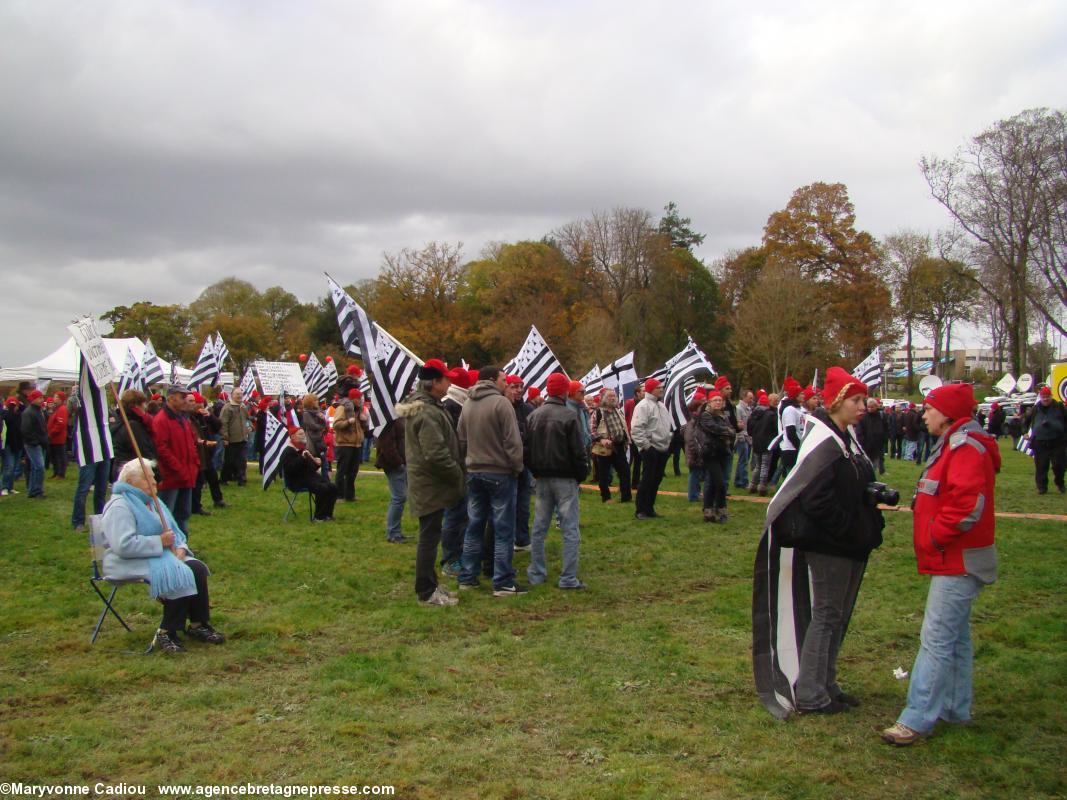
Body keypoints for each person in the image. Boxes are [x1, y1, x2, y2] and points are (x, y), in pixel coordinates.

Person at [753, 366, 885, 718]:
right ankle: (811, 691)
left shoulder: (847, 437)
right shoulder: (823, 441)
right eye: (856, 399)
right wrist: (849, 528)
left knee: (837, 615)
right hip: (832, 545)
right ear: (838, 401)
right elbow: (815, 499)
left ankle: (827, 682)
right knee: (826, 614)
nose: (863, 405)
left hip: (850, 543)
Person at [882, 382, 1000, 745]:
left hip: (958, 559)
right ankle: (954, 707)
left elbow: (966, 505)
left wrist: (934, 536)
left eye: (930, 408)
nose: (924, 413)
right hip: (957, 558)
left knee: (935, 639)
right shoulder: (954, 444)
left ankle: (916, 718)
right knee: (956, 638)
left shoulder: (964, 448)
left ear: (948, 413)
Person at [102, 458, 225, 654]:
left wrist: (181, 549)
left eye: (153, 478)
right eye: (148, 479)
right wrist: (159, 542)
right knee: (178, 571)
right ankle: (166, 631)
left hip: (162, 555)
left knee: (197, 568)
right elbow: (122, 546)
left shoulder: (154, 502)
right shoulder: (120, 506)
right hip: (128, 561)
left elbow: (175, 533)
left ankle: (198, 624)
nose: (154, 483)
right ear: (132, 482)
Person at [395, 359, 463, 606]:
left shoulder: (430, 407)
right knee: (429, 537)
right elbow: (435, 454)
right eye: (446, 379)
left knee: (431, 535)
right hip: (430, 484)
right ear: (435, 382)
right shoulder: (427, 411)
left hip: (431, 483)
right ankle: (426, 590)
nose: (449, 382)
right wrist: (456, 473)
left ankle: (430, 583)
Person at [457, 365, 526, 596]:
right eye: (504, 379)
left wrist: (468, 462)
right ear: (492, 380)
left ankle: (467, 576)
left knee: (474, 526)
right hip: (499, 472)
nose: (506, 383)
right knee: (503, 529)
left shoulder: (467, 403)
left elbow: (461, 438)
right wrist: (517, 467)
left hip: (474, 471)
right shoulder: (501, 403)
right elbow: (512, 441)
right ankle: (503, 581)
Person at [527, 372, 590, 589]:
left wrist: (534, 471)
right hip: (565, 478)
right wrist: (580, 475)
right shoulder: (569, 416)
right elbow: (578, 451)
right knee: (570, 528)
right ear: (564, 391)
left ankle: (536, 572)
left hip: (542, 478)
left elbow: (527, 449)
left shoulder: (534, 415)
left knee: (539, 527)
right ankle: (568, 578)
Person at [152, 385, 200, 536]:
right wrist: (178, 468)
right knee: (167, 516)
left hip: (186, 474)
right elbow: (161, 448)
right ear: (171, 398)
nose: (186, 400)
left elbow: (191, 443)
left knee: (183, 514)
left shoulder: (183, 418)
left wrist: (195, 463)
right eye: (182, 397)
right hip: (171, 477)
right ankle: (168, 548)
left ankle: (182, 546)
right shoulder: (161, 420)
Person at [630, 378, 672, 520]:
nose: (661, 389)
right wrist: (646, 447)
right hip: (650, 448)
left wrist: (668, 438)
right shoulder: (643, 406)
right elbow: (636, 429)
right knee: (647, 479)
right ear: (651, 389)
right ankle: (640, 509)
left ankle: (649, 507)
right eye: (658, 387)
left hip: (662, 448)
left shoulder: (662, 406)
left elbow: (666, 426)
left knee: (656, 479)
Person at [280, 427, 339, 522]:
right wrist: (302, 458)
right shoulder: (288, 451)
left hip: (309, 477)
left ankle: (327, 514)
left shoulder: (303, 449)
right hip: (297, 480)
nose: (303, 436)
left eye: (303, 433)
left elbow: (309, 468)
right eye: (300, 434)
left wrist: (316, 464)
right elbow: (290, 469)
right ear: (293, 437)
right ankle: (318, 517)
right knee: (322, 488)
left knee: (332, 487)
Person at [696, 390, 735, 523]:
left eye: (720, 400)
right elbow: (715, 429)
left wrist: (727, 432)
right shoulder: (705, 415)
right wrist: (727, 432)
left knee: (713, 483)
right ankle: (721, 508)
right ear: (709, 402)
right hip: (710, 453)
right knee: (720, 483)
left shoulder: (723, 416)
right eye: (715, 400)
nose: (718, 403)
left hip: (722, 453)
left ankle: (708, 510)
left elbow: (732, 430)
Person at [590, 388, 632, 503]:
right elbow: (592, 431)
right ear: (603, 398)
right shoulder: (598, 412)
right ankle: (606, 497)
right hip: (604, 448)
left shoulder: (618, 411)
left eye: (614, 395)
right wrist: (601, 439)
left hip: (619, 446)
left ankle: (626, 497)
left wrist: (626, 439)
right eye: (610, 396)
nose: (613, 398)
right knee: (604, 475)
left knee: (625, 472)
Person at [189, 392, 225, 516]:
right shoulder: (189, 418)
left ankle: (218, 500)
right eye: (195, 403)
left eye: (199, 403)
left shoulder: (203, 416)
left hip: (207, 453)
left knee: (213, 478)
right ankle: (196, 506)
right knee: (198, 481)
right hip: (198, 452)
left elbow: (218, 426)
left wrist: (210, 416)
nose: (198, 406)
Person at [374, 417, 407, 543]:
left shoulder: (393, 418)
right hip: (393, 464)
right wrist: (399, 463)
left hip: (397, 462)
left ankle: (395, 531)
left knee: (399, 497)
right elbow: (387, 445)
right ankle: (393, 533)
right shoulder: (388, 420)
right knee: (399, 497)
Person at [1027, 386, 1065, 495]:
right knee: (1041, 466)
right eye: (1043, 397)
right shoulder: (1035, 408)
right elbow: (1026, 421)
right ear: (1040, 397)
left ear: (1051, 396)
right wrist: (1025, 431)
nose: (1045, 399)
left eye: (1047, 397)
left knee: (1059, 465)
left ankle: (1060, 483)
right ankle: (1042, 487)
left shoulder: (1059, 407)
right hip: (1040, 442)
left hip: (1057, 441)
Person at [332, 388, 367, 502]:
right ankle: (338, 495)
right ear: (353, 398)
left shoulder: (358, 411)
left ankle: (350, 495)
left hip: (356, 444)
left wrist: (363, 420)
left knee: (353, 471)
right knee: (342, 470)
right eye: (358, 398)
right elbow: (336, 424)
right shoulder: (342, 408)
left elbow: (364, 428)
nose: (360, 401)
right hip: (345, 444)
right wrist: (348, 422)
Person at [20, 389, 48, 499]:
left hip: (38, 443)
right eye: (40, 398)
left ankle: (32, 490)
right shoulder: (29, 412)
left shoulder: (37, 410)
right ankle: (37, 491)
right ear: (33, 399)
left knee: (34, 467)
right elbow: (26, 430)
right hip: (33, 444)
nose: (42, 400)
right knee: (39, 467)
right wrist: (36, 441)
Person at [219, 388, 250, 486]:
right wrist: (225, 438)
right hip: (231, 440)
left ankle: (242, 479)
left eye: (241, 394)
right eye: (237, 394)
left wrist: (250, 428)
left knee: (242, 461)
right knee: (229, 461)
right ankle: (224, 478)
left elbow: (247, 419)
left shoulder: (243, 407)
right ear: (232, 395)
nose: (239, 396)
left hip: (243, 439)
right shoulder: (227, 408)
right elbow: (223, 423)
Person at [748, 391, 776, 496]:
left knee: (758, 466)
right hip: (767, 442)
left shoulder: (753, 414)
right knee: (765, 466)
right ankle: (762, 487)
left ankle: (753, 485)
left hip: (756, 442)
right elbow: (775, 429)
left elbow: (749, 429)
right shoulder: (771, 414)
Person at [300, 393, 329, 479]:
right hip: (312, 441)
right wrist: (321, 427)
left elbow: (325, 425)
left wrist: (322, 419)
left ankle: (325, 480)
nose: (317, 402)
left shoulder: (318, 412)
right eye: (315, 400)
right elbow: (312, 426)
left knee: (325, 463)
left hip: (320, 440)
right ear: (310, 402)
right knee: (313, 463)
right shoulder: (306, 413)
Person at [857, 398, 887, 475]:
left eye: (872, 407)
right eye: (868, 407)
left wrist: (884, 438)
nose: (870, 409)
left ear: (876, 406)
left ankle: (876, 474)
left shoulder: (881, 416)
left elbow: (885, 427)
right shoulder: (863, 417)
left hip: (878, 444)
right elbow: (860, 431)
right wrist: (862, 442)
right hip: (866, 445)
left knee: (875, 463)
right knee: (867, 463)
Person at [2, 395, 25, 496]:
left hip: (18, 444)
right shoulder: (5, 415)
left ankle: (10, 487)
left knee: (13, 466)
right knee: (9, 466)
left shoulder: (19, 415)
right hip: (8, 444)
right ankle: (4, 487)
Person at [734, 389, 754, 490]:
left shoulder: (749, 409)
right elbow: (738, 424)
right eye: (750, 398)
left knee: (742, 460)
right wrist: (741, 438)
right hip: (742, 437)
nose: (752, 399)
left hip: (748, 437)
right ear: (744, 397)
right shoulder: (738, 409)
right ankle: (744, 482)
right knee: (744, 460)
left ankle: (738, 480)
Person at [47, 392, 69, 479]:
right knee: (54, 457)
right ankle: (56, 472)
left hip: (58, 438)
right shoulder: (56, 408)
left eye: (55, 397)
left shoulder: (62, 409)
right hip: (53, 438)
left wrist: (51, 433)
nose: (54, 398)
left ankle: (61, 473)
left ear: (60, 399)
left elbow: (61, 424)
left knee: (59, 456)